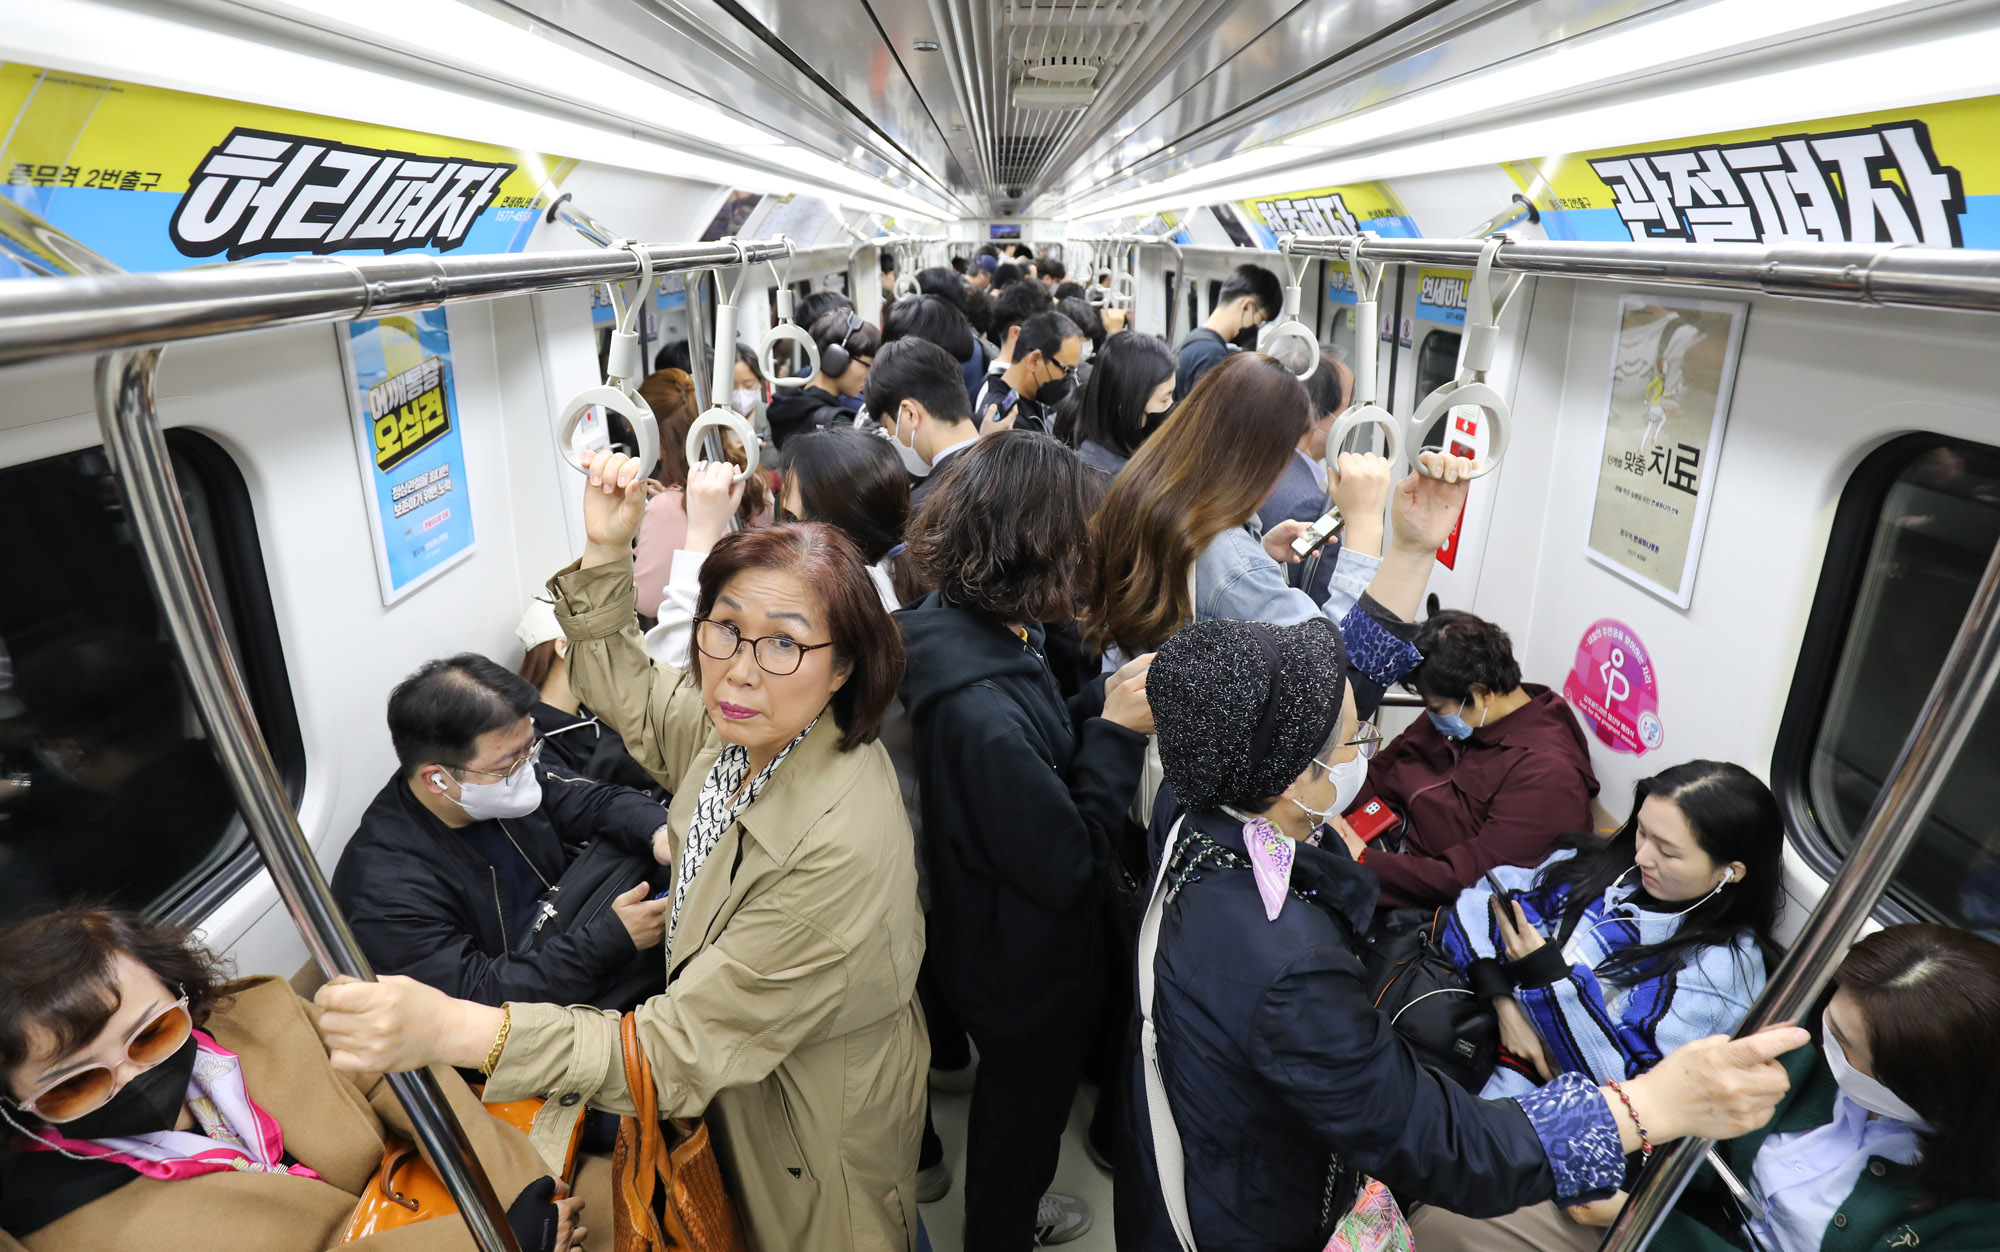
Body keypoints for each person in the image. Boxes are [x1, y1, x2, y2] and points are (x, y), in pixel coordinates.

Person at [315, 449, 927, 1252]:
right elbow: (640, 693)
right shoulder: (751, 733)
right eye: (725, 630)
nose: (739, 672)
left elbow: (671, 1054)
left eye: (784, 644)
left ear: (845, 665)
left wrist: (456, 1030)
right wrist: (608, 552)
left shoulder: (832, 843)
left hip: (810, 1115)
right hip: (747, 1067)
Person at [1116, 615, 1813, 1252]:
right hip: (1247, 1211)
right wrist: (1650, 1104)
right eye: (1360, 738)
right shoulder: (1284, 958)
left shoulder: (1199, 802)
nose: (1370, 751)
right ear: (1298, 770)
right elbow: (1439, 1143)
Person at [897, 431, 1156, 1249]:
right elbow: (1066, 864)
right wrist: (1114, 732)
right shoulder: (978, 714)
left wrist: (1095, 707)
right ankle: (1002, 1230)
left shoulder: (966, 626)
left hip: (981, 923)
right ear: (1040, 548)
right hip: (1022, 963)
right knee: (1021, 1123)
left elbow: (1040, 742)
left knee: (1016, 1112)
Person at [0, 908, 581, 1252]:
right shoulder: (58, 1227)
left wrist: (528, 1197)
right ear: (15, 1105)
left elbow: (407, 1085)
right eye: (75, 1084)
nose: (135, 1075)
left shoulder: (256, 1018)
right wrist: (491, 1240)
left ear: (179, 992)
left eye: (151, 1034)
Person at [1410, 924, 2000, 1252]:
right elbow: (1690, 1136)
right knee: (1460, 1212)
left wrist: (1640, 1221)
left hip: (1666, 1230)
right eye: (1829, 1022)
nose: (1821, 1045)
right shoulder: (1808, 1057)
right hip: (1675, 1207)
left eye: (1847, 1046)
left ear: (1924, 1089)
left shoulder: (1973, 1224)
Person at [1088, 353, 1459, 709]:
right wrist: (1365, 525)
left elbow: (1198, 595)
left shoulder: (1148, 490)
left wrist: (1258, 553)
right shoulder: (1230, 563)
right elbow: (1331, 681)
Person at [331, 654, 670, 1011]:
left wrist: (659, 834)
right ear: (437, 779)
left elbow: (593, 801)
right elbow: (477, 996)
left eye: (531, 749)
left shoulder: (499, 781)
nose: (527, 770)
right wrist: (608, 941)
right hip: (529, 1012)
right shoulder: (386, 894)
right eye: (510, 763)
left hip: (572, 936)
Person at [1432, 760, 1784, 1101]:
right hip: (1464, 1042)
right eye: (1642, 832)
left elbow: (1632, 1089)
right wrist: (1505, 1004)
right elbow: (1479, 902)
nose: (1643, 857)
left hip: (1534, 1114)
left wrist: (1548, 980)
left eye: (1667, 852)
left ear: (1730, 872)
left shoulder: (1716, 971)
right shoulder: (1607, 873)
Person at [1354, 610, 1599, 908]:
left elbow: (1470, 879)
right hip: (1373, 845)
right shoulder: (1463, 714)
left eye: (1436, 707)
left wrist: (1360, 861)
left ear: (1482, 694)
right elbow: (1380, 771)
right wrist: (1327, 813)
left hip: (1415, 898)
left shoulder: (1546, 774)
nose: (1431, 716)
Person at [629, 368, 768, 622]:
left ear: (654, 439)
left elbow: (648, 602)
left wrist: (646, 521)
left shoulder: (667, 507)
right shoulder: (751, 476)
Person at [517, 598, 665, 801]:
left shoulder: (596, 707)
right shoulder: (535, 738)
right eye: (601, 642)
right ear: (564, 647)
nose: (613, 653)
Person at [1256, 346, 1352, 605]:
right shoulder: (1308, 506)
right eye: (1348, 408)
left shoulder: (1260, 458)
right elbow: (1319, 607)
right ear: (1316, 413)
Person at [865, 337, 981, 510]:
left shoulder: (925, 508)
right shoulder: (1026, 462)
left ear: (910, 414)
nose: (890, 436)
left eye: (886, 426)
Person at [1064, 332, 1175, 486]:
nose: (1171, 405)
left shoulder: (1108, 454)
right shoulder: (1108, 484)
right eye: (1164, 399)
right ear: (1124, 407)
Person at [765, 310, 877, 448]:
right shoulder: (838, 425)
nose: (870, 373)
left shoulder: (785, 406)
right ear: (837, 358)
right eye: (867, 365)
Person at [1175, 263, 1281, 398]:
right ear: (1247, 306)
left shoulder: (1194, 339)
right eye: (1259, 320)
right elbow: (1208, 417)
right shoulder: (1212, 354)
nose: (1255, 326)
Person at [973, 310, 1082, 436]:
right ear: (1034, 361)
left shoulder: (1018, 400)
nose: (1069, 378)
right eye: (1066, 369)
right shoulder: (1011, 427)